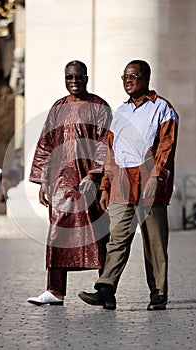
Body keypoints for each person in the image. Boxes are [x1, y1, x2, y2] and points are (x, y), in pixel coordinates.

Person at [78, 59, 179, 311]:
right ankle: (106, 289)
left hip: (149, 180)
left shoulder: (163, 108)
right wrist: (104, 187)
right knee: (117, 239)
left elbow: (166, 146)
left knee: (153, 242)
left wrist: (156, 177)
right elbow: (111, 152)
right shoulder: (120, 112)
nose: (128, 81)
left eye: (132, 76)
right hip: (121, 181)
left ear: (146, 77)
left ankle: (158, 294)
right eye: (124, 77)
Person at [27, 60, 112, 305]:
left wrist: (94, 175)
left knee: (98, 235)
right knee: (57, 235)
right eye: (69, 78)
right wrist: (44, 180)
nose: (74, 82)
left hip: (90, 183)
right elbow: (46, 144)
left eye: (78, 77)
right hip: (61, 184)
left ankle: (106, 292)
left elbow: (105, 142)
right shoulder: (58, 108)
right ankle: (54, 291)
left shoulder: (99, 106)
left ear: (86, 78)